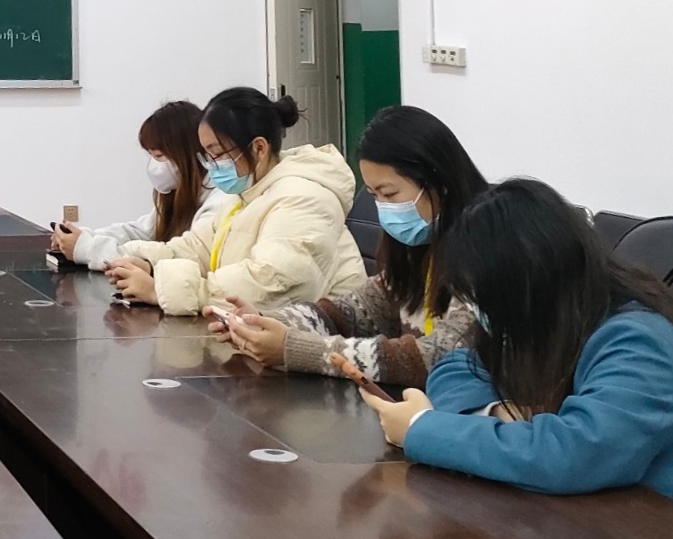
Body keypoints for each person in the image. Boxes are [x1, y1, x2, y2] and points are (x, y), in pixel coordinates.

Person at [358, 178, 673, 539]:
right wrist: (498, 412)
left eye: (484, 297)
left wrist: (423, 428)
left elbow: (574, 454)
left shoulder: (638, 339)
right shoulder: (540, 318)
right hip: (617, 538)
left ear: (533, 277)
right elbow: (456, 367)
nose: (481, 313)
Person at [216, 105, 487, 387]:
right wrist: (264, 323)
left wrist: (294, 349)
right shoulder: (419, 247)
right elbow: (353, 312)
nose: (383, 208)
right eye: (374, 196)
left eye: (390, 194)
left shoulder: (485, 250)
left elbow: (437, 358)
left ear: (438, 182)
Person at [106, 88, 365, 316]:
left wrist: (159, 289)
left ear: (259, 148)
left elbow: (270, 285)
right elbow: (199, 247)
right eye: (207, 155)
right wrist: (148, 262)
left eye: (218, 154)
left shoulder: (304, 197)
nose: (211, 165)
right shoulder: (247, 193)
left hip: (321, 340)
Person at [50, 100, 206, 269]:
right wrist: (82, 237)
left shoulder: (215, 203)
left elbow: (172, 259)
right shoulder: (178, 195)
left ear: (187, 154)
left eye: (159, 156)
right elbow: (139, 232)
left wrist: (86, 248)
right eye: (151, 156)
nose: (155, 165)